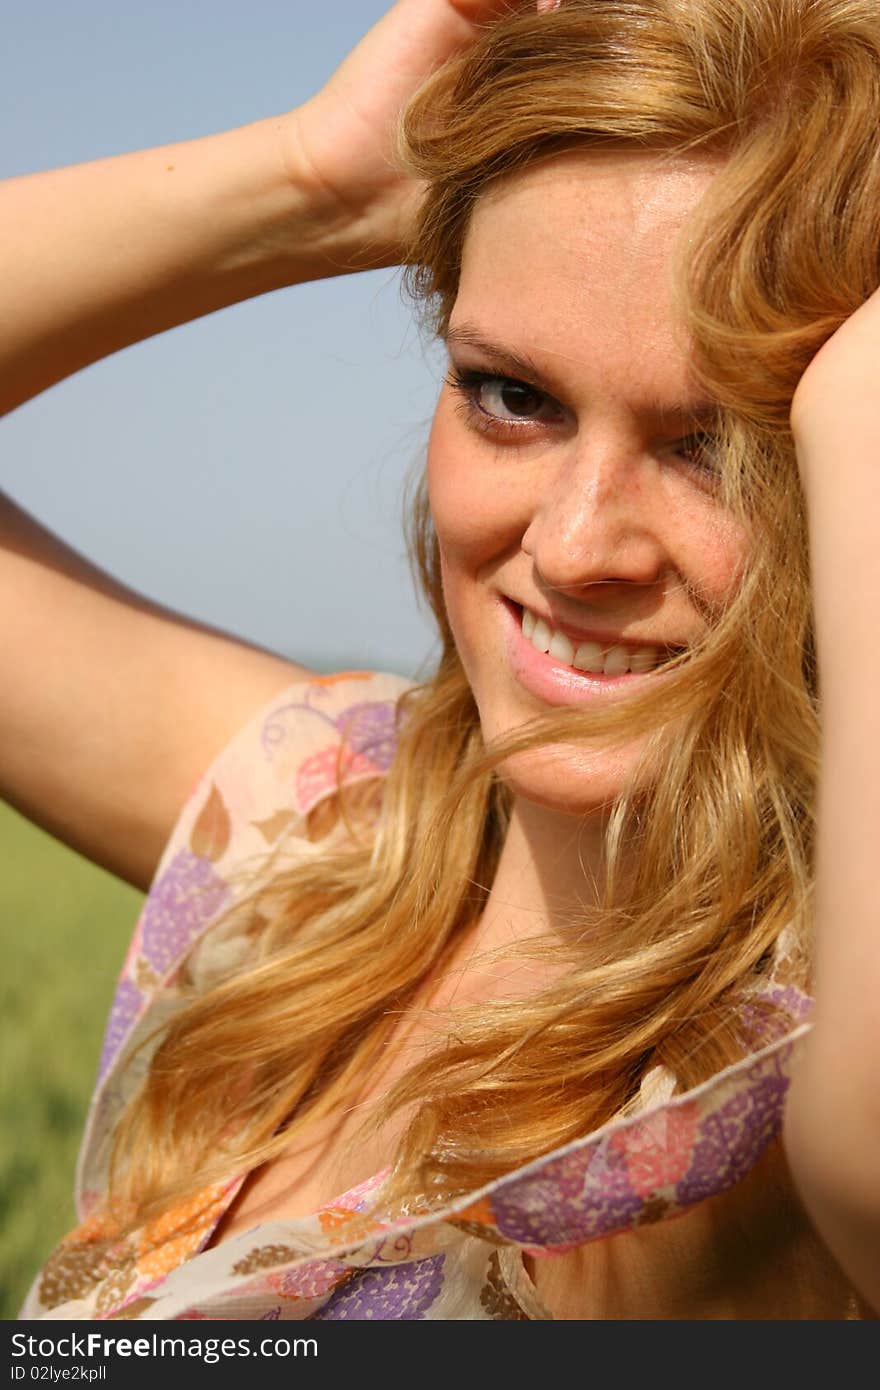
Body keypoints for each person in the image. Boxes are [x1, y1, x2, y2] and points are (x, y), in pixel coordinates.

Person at [3, 0, 879, 1320]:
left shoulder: (794, 1092)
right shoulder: (320, 823)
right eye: (512, 396)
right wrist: (311, 182)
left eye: (717, 444)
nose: (579, 547)